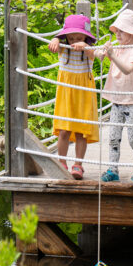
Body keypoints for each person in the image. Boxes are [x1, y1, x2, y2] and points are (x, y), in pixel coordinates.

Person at [96, 9, 133, 184]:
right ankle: (113, 169)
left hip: (132, 103)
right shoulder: (117, 49)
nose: (117, 33)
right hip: (117, 102)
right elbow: (100, 55)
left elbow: (127, 69)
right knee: (113, 137)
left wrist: (112, 55)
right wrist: (101, 53)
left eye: (122, 30)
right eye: (116, 30)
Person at [47, 14, 101, 180]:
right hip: (66, 94)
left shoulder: (88, 51)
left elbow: (97, 55)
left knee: (81, 132)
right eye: (71, 38)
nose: (74, 41)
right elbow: (54, 43)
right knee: (64, 130)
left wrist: (84, 45)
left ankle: (78, 165)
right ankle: (61, 162)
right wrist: (56, 38)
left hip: (83, 94)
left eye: (79, 37)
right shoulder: (64, 48)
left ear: (85, 36)